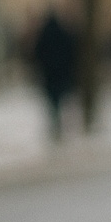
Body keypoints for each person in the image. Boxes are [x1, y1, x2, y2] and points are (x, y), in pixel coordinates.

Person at [31, 9, 76, 142]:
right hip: (60, 73)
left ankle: (55, 121)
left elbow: (37, 52)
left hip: (49, 74)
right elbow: (71, 51)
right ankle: (57, 122)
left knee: (52, 99)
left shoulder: (44, 35)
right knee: (58, 98)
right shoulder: (63, 33)